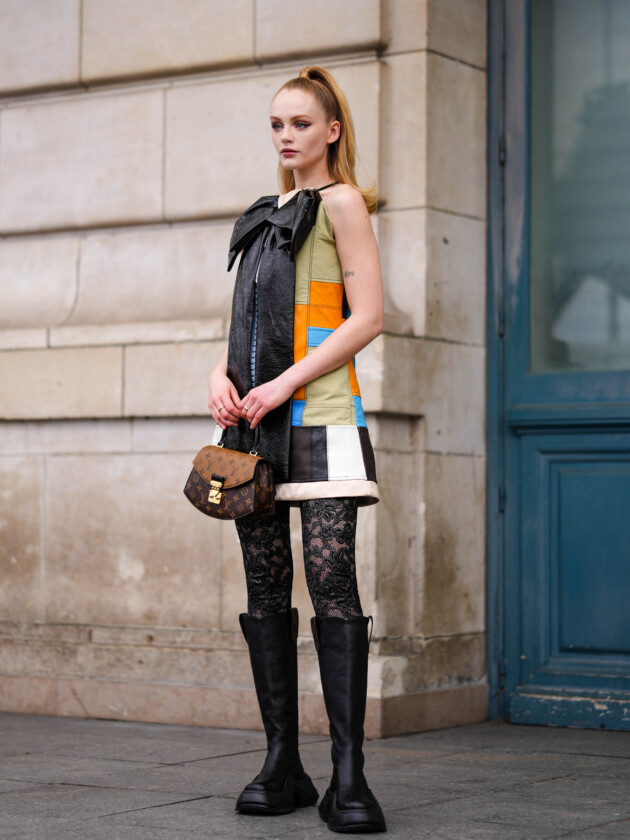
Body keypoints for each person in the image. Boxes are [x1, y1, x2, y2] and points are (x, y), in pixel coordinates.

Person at [207, 65, 386, 834]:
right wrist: (218, 373)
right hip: (252, 428)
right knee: (265, 592)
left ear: (332, 131)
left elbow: (369, 316)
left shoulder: (342, 203)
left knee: (331, 580)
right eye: (277, 125)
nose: (287, 137)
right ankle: (283, 763)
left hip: (321, 417)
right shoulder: (260, 215)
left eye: (301, 124)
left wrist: (284, 382)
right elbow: (240, 320)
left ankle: (349, 776)